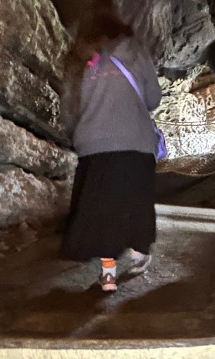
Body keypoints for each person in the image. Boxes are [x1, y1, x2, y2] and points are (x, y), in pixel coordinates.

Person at [60, 1, 162, 293]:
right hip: (135, 144)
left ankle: (108, 275)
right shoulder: (134, 50)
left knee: (103, 209)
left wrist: (81, 135)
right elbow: (153, 98)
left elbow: (69, 107)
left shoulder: (77, 57)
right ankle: (138, 253)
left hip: (94, 146)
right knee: (134, 202)